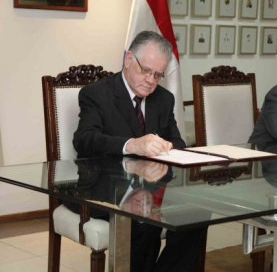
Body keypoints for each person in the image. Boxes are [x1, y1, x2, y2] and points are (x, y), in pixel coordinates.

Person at [73, 31, 207, 272]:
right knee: (144, 222)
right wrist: (131, 144)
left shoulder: (164, 99)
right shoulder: (97, 94)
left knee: (197, 214)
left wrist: (168, 147)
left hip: (151, 187)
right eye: (145, 70)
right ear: (127, 59)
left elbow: (178, 142)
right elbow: (84, 140)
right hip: (104, 189)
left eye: (157, 75)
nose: (151, 80)